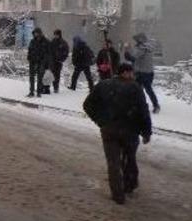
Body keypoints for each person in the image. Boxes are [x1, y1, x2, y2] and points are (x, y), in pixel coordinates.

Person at [83, 63, 152, 204]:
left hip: (109, 130)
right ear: (126, 73)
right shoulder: (135, 88)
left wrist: (101, 121)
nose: (133, 76)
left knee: (113, 163)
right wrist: (146, 132)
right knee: (129, 158)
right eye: (131, 73)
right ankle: (130, 184)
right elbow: (143, 112)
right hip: (130, 130)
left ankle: (118, 195)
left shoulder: (103, 85)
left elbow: (88, 105)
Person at [125, 33, 160, 114]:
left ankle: (142, 105)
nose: (136, 42)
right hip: (149, 72)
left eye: (136, 40)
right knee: (148, 89)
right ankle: (155, 105)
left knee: (138, 90)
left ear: (140, 40)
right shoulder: (148, 47)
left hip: (141, 72)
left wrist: (126, 50)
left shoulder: (142, 48)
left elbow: (132, 58)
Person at [27, 27, 49, 98]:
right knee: (31, 77)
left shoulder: (45, 41)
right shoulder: (32, 41)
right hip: (32, 62)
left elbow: (47, 53)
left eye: (37, 33)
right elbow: (30, 50)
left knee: (40, 78)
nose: (35, 34)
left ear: (40, 33)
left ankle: (39, 92)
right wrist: (29, 57)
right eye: (34, 33)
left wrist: (44, 61)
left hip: (40, 62)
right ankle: (31, 91)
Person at [49, 29, 69, 93]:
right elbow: (50, 50)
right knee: (52, 74)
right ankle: (51, 86)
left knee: (57, 75)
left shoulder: (63, 43)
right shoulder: (53, 41)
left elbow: (66, 52)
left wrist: (62, 59)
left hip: (58, 62)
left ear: (59, 35)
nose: (55, 36)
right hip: (52, 61)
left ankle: (56, 87)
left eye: (56, 35)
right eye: (54, 34)